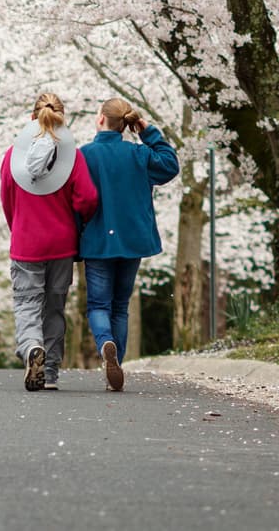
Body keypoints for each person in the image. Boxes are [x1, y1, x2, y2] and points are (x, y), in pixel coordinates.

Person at [79, 97, 179, 391]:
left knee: (99, 304)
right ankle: (116, 365)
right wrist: (149, 133)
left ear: (100, 120)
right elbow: (170, 166)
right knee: (120, 306)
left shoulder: (84, 156)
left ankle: (105, 343)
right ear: (127, 124)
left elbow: (75, 199)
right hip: (132, 240)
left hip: (97, 240)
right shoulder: (139, 154)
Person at [0, 93, 98, 391]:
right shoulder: (73, 157)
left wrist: (18, 227)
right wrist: (76, 222)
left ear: (32, 119)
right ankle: (51, 373)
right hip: (61, 244)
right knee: (54, 307)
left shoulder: (12, 156)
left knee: (28, 303)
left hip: (26, 242)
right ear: (62, 119)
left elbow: (7, 198)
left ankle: (31, 347)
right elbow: (89, 197)